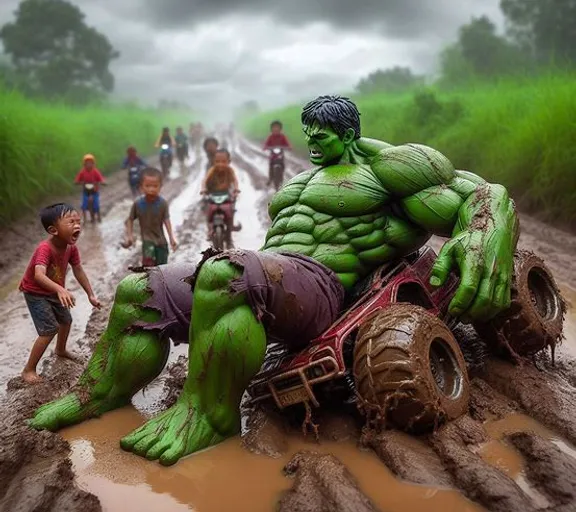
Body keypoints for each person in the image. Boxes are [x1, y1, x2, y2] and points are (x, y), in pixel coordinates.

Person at [30, 95, 519, 468]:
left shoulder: (387, 170)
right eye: (307, 131)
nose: (311, 141)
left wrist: (485, 234)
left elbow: (480, 195)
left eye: (322, 134)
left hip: (324, 289)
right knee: (138, 291)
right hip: (278, 274)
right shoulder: (301, 182)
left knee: (226, 271)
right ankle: (99, 392)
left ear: (348, 133)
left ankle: (210, 415)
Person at [19, 203, 101, 384]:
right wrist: (61, 289)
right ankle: (28, 369)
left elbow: (78, 269)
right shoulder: (45, 249)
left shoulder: (71, 248)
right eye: (71, 222)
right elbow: (38, 275)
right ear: (53, 230)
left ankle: (61, 350)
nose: (77, 226)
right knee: (49, 330)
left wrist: (90, 294)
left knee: (66, 320)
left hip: (54, 290)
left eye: (78, 221)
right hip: (36, 292)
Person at [124, 167, 177, 266]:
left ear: (160, 186)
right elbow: (130, 220)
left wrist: (171, 238)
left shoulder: (162, 203)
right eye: (147, 186)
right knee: (148, 264)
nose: (151, 189)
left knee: (162, 267)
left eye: (155, 186)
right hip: (147, 241)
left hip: (161, 241)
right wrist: (130, 236)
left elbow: (166, 220)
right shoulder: (138, 204)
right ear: (141, 187)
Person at [201, 148, 240, 246]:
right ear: (213, 161)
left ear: (228, 162)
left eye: (223, 161)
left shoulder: (230, 170)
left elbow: (235, 181)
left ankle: (229, 236)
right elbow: (204, 181)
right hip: (213, 194)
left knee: (230, 211)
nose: (220, 164)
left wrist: (236, 189)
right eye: (217, 161)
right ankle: (210, 230)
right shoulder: (212, 170)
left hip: (225, 194)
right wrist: (203, 189)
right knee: (208, 210)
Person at [74, 154, 105, 223]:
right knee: (84, 205)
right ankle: (84, 219)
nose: (89, 164)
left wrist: (102, 182)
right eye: (87, 163)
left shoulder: (95, 171)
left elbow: (100, 178)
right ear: (84, 164)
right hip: (86, 191)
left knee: (96, 205)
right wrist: (78, 182)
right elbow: (77, 179)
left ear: (93, 164)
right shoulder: (82, 172)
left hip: (94, 191)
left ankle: (98, 216)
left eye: (90, 163)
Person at [263, 120, 292, 186]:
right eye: (274, 127)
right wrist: (266, 147)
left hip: (280, 154)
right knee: (271, 165)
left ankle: (281, 177)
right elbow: (266, 144)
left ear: (280, 129)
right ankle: (270, 178)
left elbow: (288, 144)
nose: (276, 129)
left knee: (282, 164)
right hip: (273, 155)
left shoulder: (282, 137)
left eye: (277, 127)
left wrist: (289, 147)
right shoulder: (270, 137)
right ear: (272, 129)